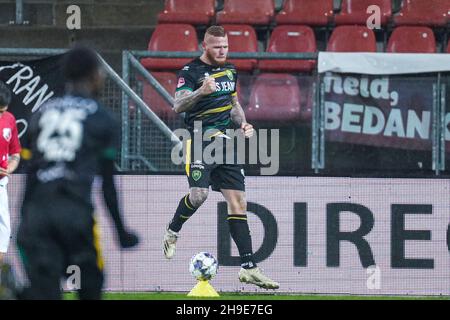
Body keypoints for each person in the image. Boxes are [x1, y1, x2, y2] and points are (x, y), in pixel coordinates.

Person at [13, 46, 139, 299]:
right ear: (94, 76)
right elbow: (107, 185)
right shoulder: (104, 119)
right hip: (74, 213)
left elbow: (31, 175)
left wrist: (23, 220)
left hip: (37, 216)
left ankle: (19, 292)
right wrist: (121, 231)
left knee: (44, 292)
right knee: (90, 285)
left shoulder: (41, 113)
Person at [163, 26, 279, 289]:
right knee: (199, 195)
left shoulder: (231, 70)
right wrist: (200, 92)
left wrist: (244, 124)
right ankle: (172, 231)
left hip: (227, 142)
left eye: (225, 46)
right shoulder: (190, 72)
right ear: (205, 46)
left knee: (238, 202)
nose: (222, 51)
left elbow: (233, 104)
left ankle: (249, 268)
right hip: (200, 138)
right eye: (217, 47)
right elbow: (178, 105)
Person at [0, 81, 21, 266]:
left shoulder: (9, 119)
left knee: (3, 230)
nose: (2, 115)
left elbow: (15, 154)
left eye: (3, 111)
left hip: (0, 185)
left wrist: (9, 168)